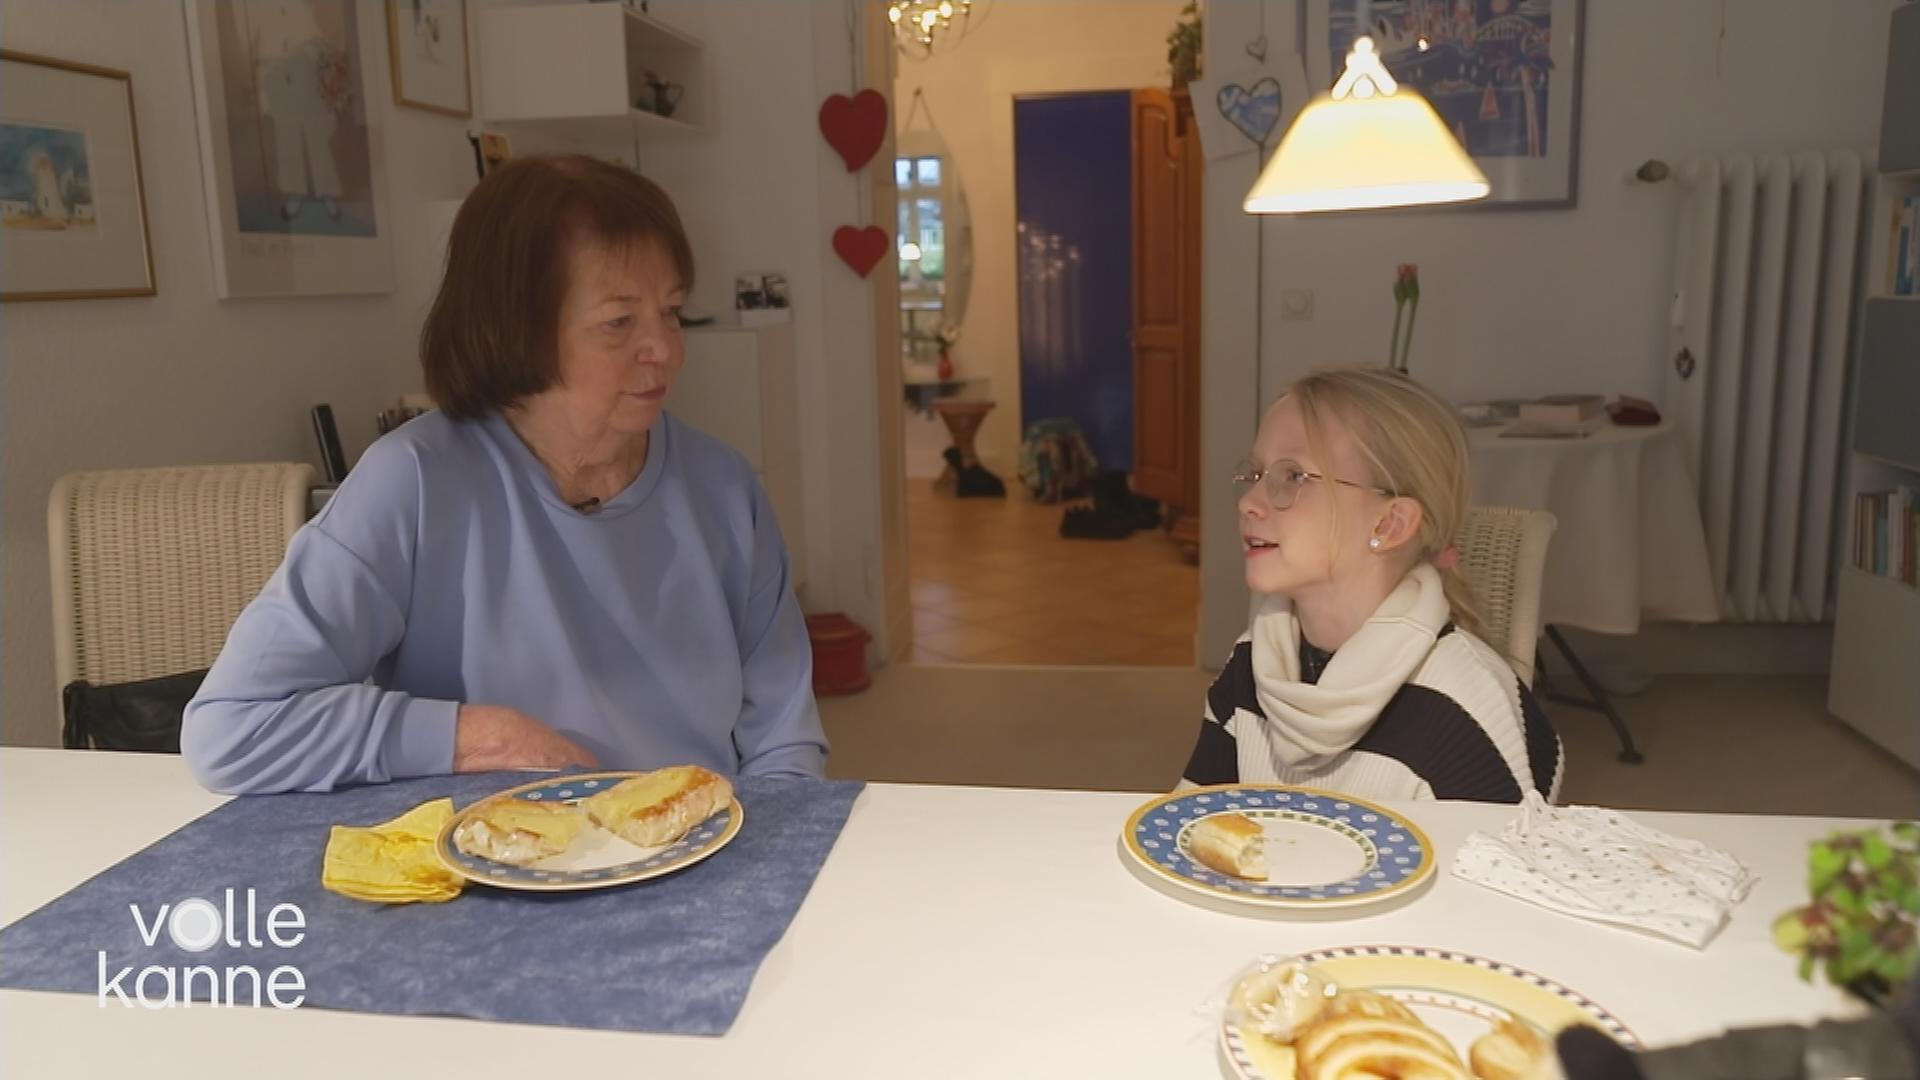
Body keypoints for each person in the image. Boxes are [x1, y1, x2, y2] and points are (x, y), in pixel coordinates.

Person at [183, 154, 828, 794]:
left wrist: (762, 873)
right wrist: (478, 736)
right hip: (496, 873)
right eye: (619, 322)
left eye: (672, 312)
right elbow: (233, 727)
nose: (666, 349)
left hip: (702, 858)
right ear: (516, 330)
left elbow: (785, 744)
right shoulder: (412, 483)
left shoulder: (724, 488)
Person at [1181, 367, 1560, 802]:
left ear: (1389, 523)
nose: (1249, 502)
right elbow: (1194, 822)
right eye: (1255, 475)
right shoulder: (1250, 663)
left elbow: (1492, 868)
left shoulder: (1462, 707)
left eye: (1292, 477)